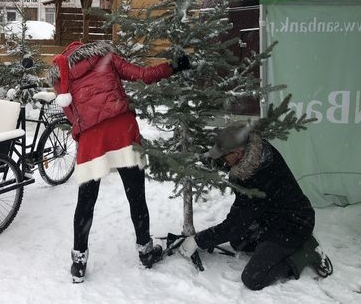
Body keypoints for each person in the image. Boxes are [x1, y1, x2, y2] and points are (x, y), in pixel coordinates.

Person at [47, 40, 191, 283]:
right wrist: (174, 66)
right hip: (123, 131)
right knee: (136, 194)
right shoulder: (105, 57)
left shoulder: (61, 74)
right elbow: (144, 75)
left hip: (92, 140)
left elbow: (71, 115)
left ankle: (78, 263)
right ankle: (145, 250)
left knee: (86, 202)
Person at [176, 124, 333, 291]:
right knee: (238, 243)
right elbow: (226, 162)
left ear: (237, 153)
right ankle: (277, 247)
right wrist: (196, 160)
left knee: (253, 278)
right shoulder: (256, 151)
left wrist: (198, 240)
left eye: (223, 157)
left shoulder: (256, 178)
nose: (221, 160)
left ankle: (305, 252)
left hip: (293, 224)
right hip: (271, 216)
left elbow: (234, 226)